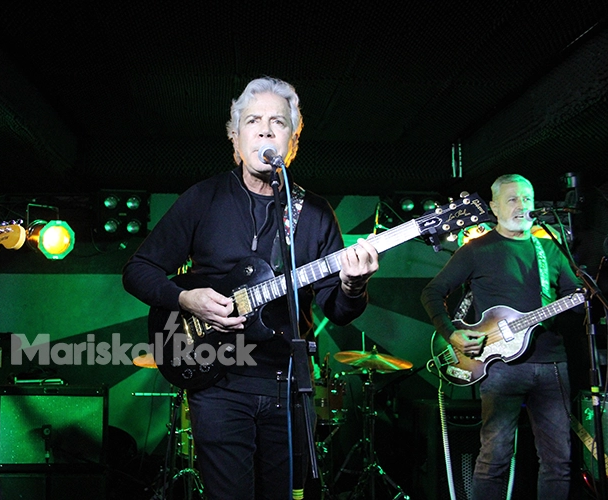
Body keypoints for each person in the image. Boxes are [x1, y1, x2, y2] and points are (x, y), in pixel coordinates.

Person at [123, 76, 378, 499]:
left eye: (277, 122)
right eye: (253, 121)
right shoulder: (203, 198)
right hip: (217, 382)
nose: (264, 131)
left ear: (293, 142)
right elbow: (138, 270)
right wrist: (185, 298)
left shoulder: (315, 213)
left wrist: (353, 284)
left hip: (287, 384)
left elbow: (338, 309)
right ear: (235, 137)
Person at [421, 174, 581, 500]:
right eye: (512, 199)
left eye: (527, 198)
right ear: (494, 207)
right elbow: (432, 292)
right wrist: (451, 333)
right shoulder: (476, 250)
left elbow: (576, 301)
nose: (522, 205)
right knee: (494, 460)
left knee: (558, 462)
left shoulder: (549, 249)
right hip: (499, 368)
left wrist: (584, 300)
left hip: (552, 365)